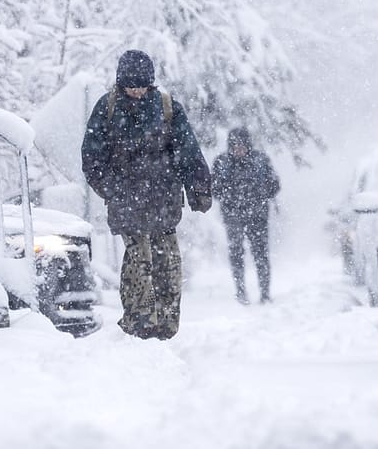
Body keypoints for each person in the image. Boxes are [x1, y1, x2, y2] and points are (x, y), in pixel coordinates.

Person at [81, 50, 212, 340]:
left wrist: (198, 188)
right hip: (127, 203)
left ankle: (166, 324)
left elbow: (187, 151)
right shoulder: (108, 108)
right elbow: (92, 158)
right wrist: (112, 189)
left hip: (163, 201)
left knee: (168, 265)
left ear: (150, 83)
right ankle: (139, 322)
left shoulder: (167, 107)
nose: (137, 91)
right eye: (131, 86)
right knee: (139, 261)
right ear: (121, 83)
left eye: (142, 85)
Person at [212, 128, 280, 304]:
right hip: (233, 217)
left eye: (241, 146)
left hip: (257, 217)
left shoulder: (260, 161)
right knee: (236, 254)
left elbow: (274, 185)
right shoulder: (222, 163)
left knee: (260, 254)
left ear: (248, 146)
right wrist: (230, 196)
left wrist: (261, 192)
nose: (238, 150)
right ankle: (241, 291)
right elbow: (214, 189)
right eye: (235, 146)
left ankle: (265, 293)